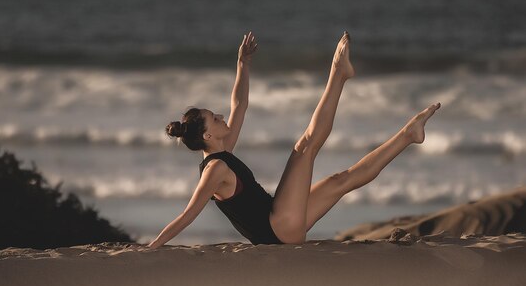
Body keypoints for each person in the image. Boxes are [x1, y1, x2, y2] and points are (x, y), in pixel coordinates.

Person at [147, 31, 440, 248]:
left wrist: (243, 64)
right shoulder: (215, 170)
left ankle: (408, 135)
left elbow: (239, 105)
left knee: (342, 180)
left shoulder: (222, 152)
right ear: (207, 135)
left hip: (282, 223)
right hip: (278, 229)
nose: (222, 117)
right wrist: (153, 246)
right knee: (304, 147)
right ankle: (338, 75)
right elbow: (189, 214)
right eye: (215, 118)